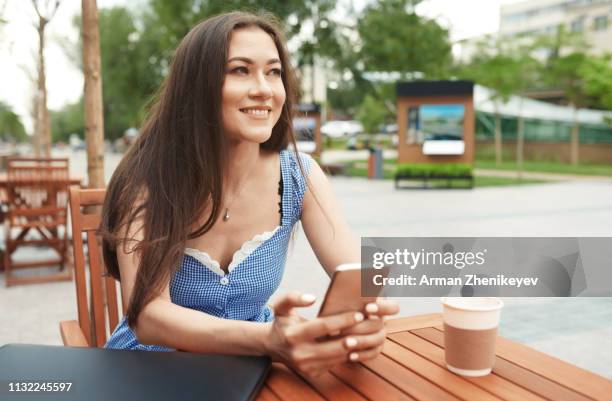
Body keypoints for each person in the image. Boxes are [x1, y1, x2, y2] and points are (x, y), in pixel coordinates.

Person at [101, 11, 399, 379]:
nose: (264, 89)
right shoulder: (147, 181)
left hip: (250, 367)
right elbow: (148, 316)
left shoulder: (299, 174)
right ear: (197, 86)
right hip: (152, 367)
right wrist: (267, 340)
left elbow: (358, 274)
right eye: (240, 70)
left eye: (273, 72)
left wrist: (363, 319)